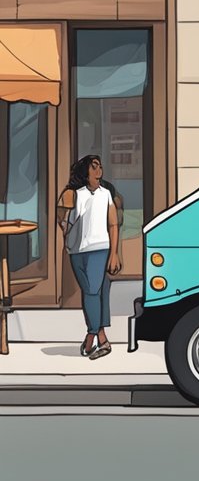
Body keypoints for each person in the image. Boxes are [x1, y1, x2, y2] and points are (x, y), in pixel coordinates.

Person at [56, 154, 121, 360]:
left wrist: (114, 254)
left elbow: (113, 224)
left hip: (99, 248)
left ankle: (92, 335)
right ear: (85, 172)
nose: (99, 171)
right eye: (94, 167)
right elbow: (62, 220)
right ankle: (101, 336)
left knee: (92, 292)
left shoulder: (105, 194)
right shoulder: (74, 194)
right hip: (76, 251)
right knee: (96, 292)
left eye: (100, 166)